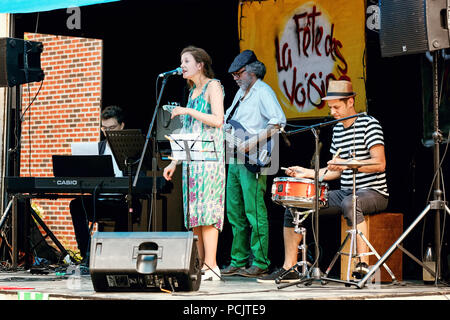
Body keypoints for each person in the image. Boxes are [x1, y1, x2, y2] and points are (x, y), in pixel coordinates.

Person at [257, 79, 389, 283]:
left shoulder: (369, 124)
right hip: (346, 190)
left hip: (373, 192)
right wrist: (307, 173)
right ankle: (290, 267)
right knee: (295, 205)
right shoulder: (337, 129)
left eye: (337, 107)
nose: (333, 112)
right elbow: (334, 171)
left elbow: (379, 164)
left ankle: (362, 264)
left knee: (351, 202)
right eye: (331, 107)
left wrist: (346, 164)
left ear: (350, 102)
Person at [221, 50, 287, 278]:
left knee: (254, 211)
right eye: (233, 76)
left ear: (252, 71)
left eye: (238, 74)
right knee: (234, 211)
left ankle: (260, 261)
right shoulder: (240, 95)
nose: (236, 78)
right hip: (234, 158)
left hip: (254, 159)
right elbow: (229, 123)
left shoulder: (263, 91)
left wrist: (251, 142)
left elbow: (278, 122)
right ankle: (238, 260)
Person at [163, 46, 225, 281]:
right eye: (181, 61)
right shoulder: (192, 93)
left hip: (209, 159)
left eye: (186, 61)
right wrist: (174, 162)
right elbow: (188, 131)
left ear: (200, 64)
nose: (182, 65)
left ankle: (213, 265)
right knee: (196, 214)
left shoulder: (214, 86)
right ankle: (201, 265)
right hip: (193, 161)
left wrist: (187, 110)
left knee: (208, 212)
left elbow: (218, 120)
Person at [69, 105, 142, 262]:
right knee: (76, 205)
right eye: (105, 128)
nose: (108, 132)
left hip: (123, 200)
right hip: (101, 200)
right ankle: (87, 255)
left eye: (113, 127)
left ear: (122, 126)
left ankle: (116, 258)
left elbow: (139, 180)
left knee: (126, 209)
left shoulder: (133, 148)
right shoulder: (98, 148)